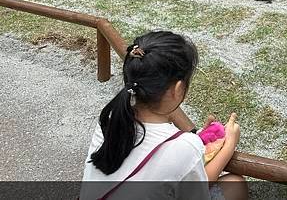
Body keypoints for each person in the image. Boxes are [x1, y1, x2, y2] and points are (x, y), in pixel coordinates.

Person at [80, 31, 247, 200]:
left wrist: (199, 140)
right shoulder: (183, 146)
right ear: (178, 89)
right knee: (235, 184)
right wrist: (228, 147)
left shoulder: (110, 120)